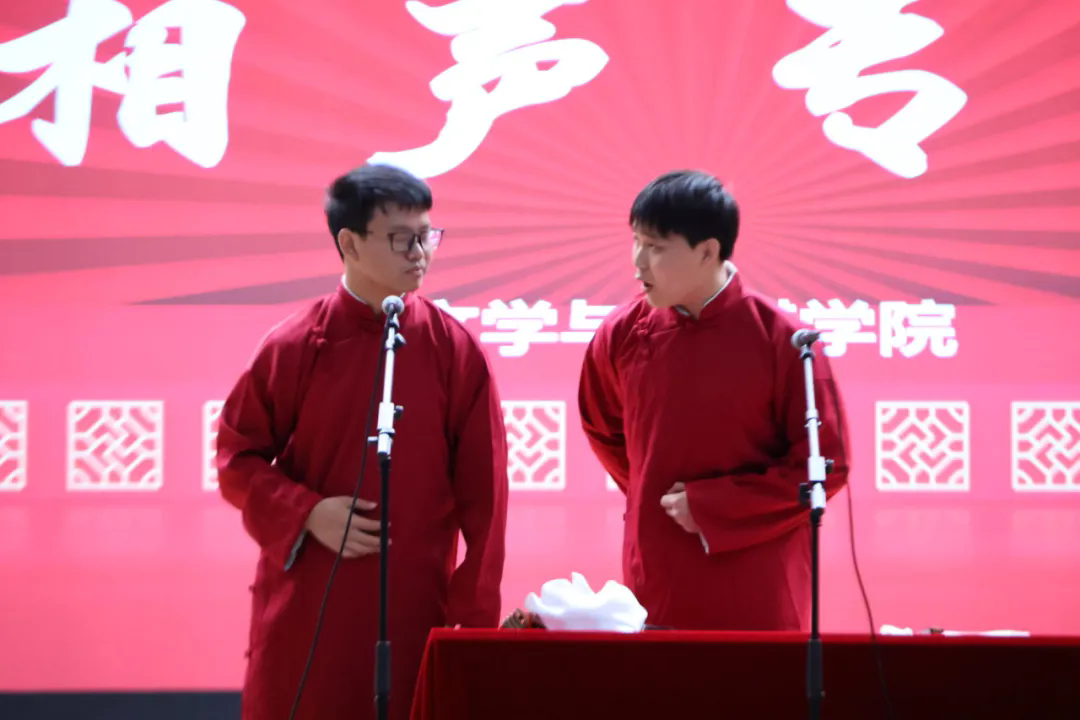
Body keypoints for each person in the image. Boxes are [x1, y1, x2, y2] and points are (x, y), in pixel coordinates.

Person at [216, 164, 509, 720]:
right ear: (348, 243)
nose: (420, 253)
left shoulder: (454, 350)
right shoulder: (296, 345)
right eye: (402, 239)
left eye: (427, 236)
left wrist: (474, 620)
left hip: (414, 603)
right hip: (309, 602)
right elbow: (236, 458)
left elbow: (486, 500)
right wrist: (306, 512)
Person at [577, 169, 850, 631]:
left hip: (760, 579)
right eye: (636, 242)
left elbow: (826, 466)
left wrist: (713, 507)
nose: (639, 262)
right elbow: (602, 427)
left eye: (656, 247)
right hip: (659, 570)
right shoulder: (622, 333)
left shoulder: (784, 339)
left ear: (707, 251)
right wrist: (653, 495)